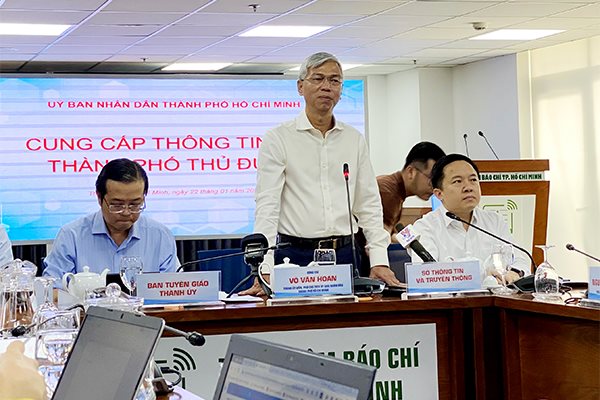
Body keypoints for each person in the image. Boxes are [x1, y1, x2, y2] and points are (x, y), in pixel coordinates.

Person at [241, 51, 400, 296]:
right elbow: (267, 206)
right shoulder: (278, 138)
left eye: (334, 80)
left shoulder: (353, 139)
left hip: (346, 254)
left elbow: (368, 204)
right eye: (318, 78)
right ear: (300, 87)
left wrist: (379, 260)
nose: (326, 86)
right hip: (294, 255)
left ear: (341, 90)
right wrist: (265, 267)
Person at [43, 158, 179, 283]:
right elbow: (53, 289)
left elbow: (175, 290)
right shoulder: (71, 236)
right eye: (117, 205)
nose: (126, 212)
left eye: (135, 204)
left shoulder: (160, 236)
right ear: (99, 197)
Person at [409, 154, 529, 281]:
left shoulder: (495, 221)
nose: (468, 187)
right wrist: (484, 273)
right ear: (439, 194)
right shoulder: (425, 227)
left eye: (473, 180)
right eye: (458, 181)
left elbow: (520, 259)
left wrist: (515, 272)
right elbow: (427, 275)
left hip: (498, 293)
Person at [357, 141, 445, 276]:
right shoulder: (388, 193)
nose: (434, 187)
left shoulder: (394, 191)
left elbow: (389, 235)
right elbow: (376, 241)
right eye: (431, 179)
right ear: (411, 172)